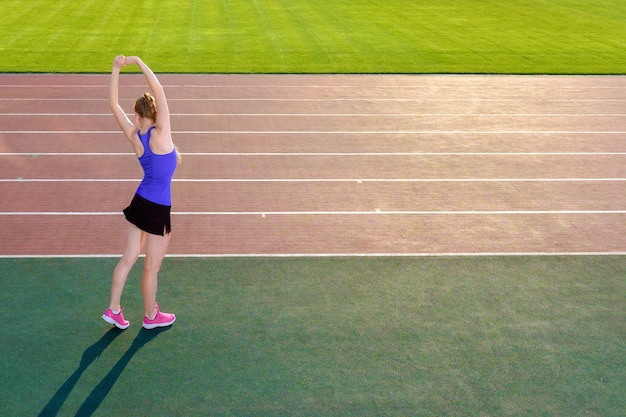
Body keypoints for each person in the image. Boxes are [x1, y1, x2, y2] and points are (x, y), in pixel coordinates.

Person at [102, 55, 179, 330]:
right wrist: (138, 61)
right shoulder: (163, 133)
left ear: (136, 114)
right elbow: (158, 87)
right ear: (155, 112)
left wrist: (116, 69)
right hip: (158, 209)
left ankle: (113, 309)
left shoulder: (137, 138)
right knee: (151, 267)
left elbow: (112, 104)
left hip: (139, 203)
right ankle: (150, 316)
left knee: (128, 257)